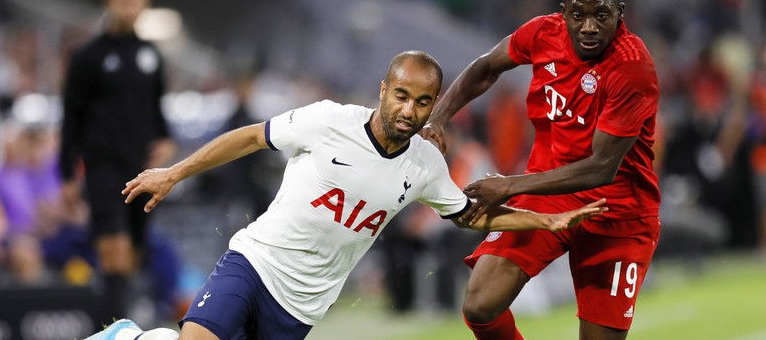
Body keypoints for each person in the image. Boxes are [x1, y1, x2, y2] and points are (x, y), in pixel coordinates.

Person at [85, 50, 607, 340]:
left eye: (423, 102)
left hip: (304, 306)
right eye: (401, 95)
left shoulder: (426, 164)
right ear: (383, 90)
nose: (409, 110)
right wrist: (175, 173)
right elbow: (249, 137)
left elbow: (469, 216)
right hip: (255, 261)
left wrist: (546, 223)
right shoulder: (328, 120)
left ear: (432, 107)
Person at [421, 0, 660, 339]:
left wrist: (510, 185)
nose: (590, 27)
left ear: (620, 14)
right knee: (480, 305)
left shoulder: (632, 67)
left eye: (601, 15)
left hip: (617, 214)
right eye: (578, 15)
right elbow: (486, 67)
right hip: (547, 192)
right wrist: (437, 118)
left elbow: (601, 167)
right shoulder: (542, 33)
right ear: (562, 13)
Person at [58, 0, 176, 323]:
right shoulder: (87, 56)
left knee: (133, 259)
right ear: (109, 1)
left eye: (137, 1)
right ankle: (114, 334)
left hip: (142, 170)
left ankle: (117, 325)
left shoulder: (151, 55)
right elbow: (70, 117)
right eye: (124, 0)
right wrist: (66, 174)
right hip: (102, 169)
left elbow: (157, 112)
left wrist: (165, 141)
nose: (130, 7)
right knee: (116, 256)